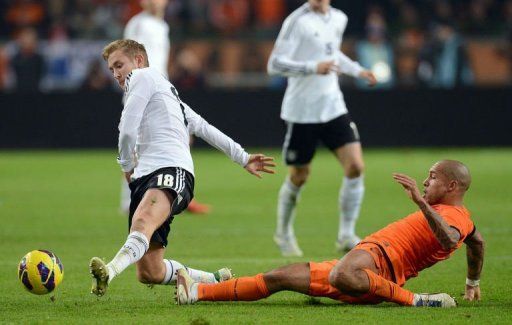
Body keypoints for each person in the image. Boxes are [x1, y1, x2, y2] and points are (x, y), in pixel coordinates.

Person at [89, 39, 275, 296]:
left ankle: (108, 272)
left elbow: (127, 131)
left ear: (139, 60)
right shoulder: (168, 95)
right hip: (149, 178)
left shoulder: (142, 77)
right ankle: (214, 279)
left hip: (169, 170)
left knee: (142, 221)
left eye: (119, 65)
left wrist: (126, 165)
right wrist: (242, 157)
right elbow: (204, 127)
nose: (116, 73)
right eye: (111, 69)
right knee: (149, 272)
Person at [176, 160, 485, 308]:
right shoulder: (459, 220)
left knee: (341, 275)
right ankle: (197, 292)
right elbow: (477, 243)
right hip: (371, 266)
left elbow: (450, 238)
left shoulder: (457, 216)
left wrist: (421, 202)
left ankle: (417, 301)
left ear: (452, 187)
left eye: (432, 178)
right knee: (279, 276)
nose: (425, 182)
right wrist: (472, 283)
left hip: (381, 264)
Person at [267, 0, 378, 256]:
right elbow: (274, 64)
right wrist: (311, 67)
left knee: (356, 166)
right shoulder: (296, 21)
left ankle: (346, 234)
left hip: (333, 106)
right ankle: (283, 233)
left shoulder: (338, 18)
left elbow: (333, 54)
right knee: (299, 175)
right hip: (302, 111)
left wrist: (358, 71)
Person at [122, 0, 211, 214]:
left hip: (161, 91)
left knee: (175, 139)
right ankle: (139, 197)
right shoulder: (138, 24)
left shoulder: (162, 25)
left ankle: (172, 192)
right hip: (144, 93)